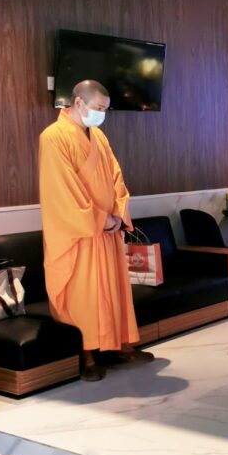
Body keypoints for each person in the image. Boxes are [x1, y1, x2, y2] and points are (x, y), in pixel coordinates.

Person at [39, 80, 153, 381]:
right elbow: (61, 189)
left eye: (104, 109)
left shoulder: (99, 136)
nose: (102, 114)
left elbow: (116, 174)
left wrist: (117, 213)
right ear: (78, 103)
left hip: (107, 230)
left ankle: (118, 345)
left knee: (114, 290)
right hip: (79, 233)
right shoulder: (53, 137)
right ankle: (87, 355)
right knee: (83, 295)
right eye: (98, 109)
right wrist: (100, 219)